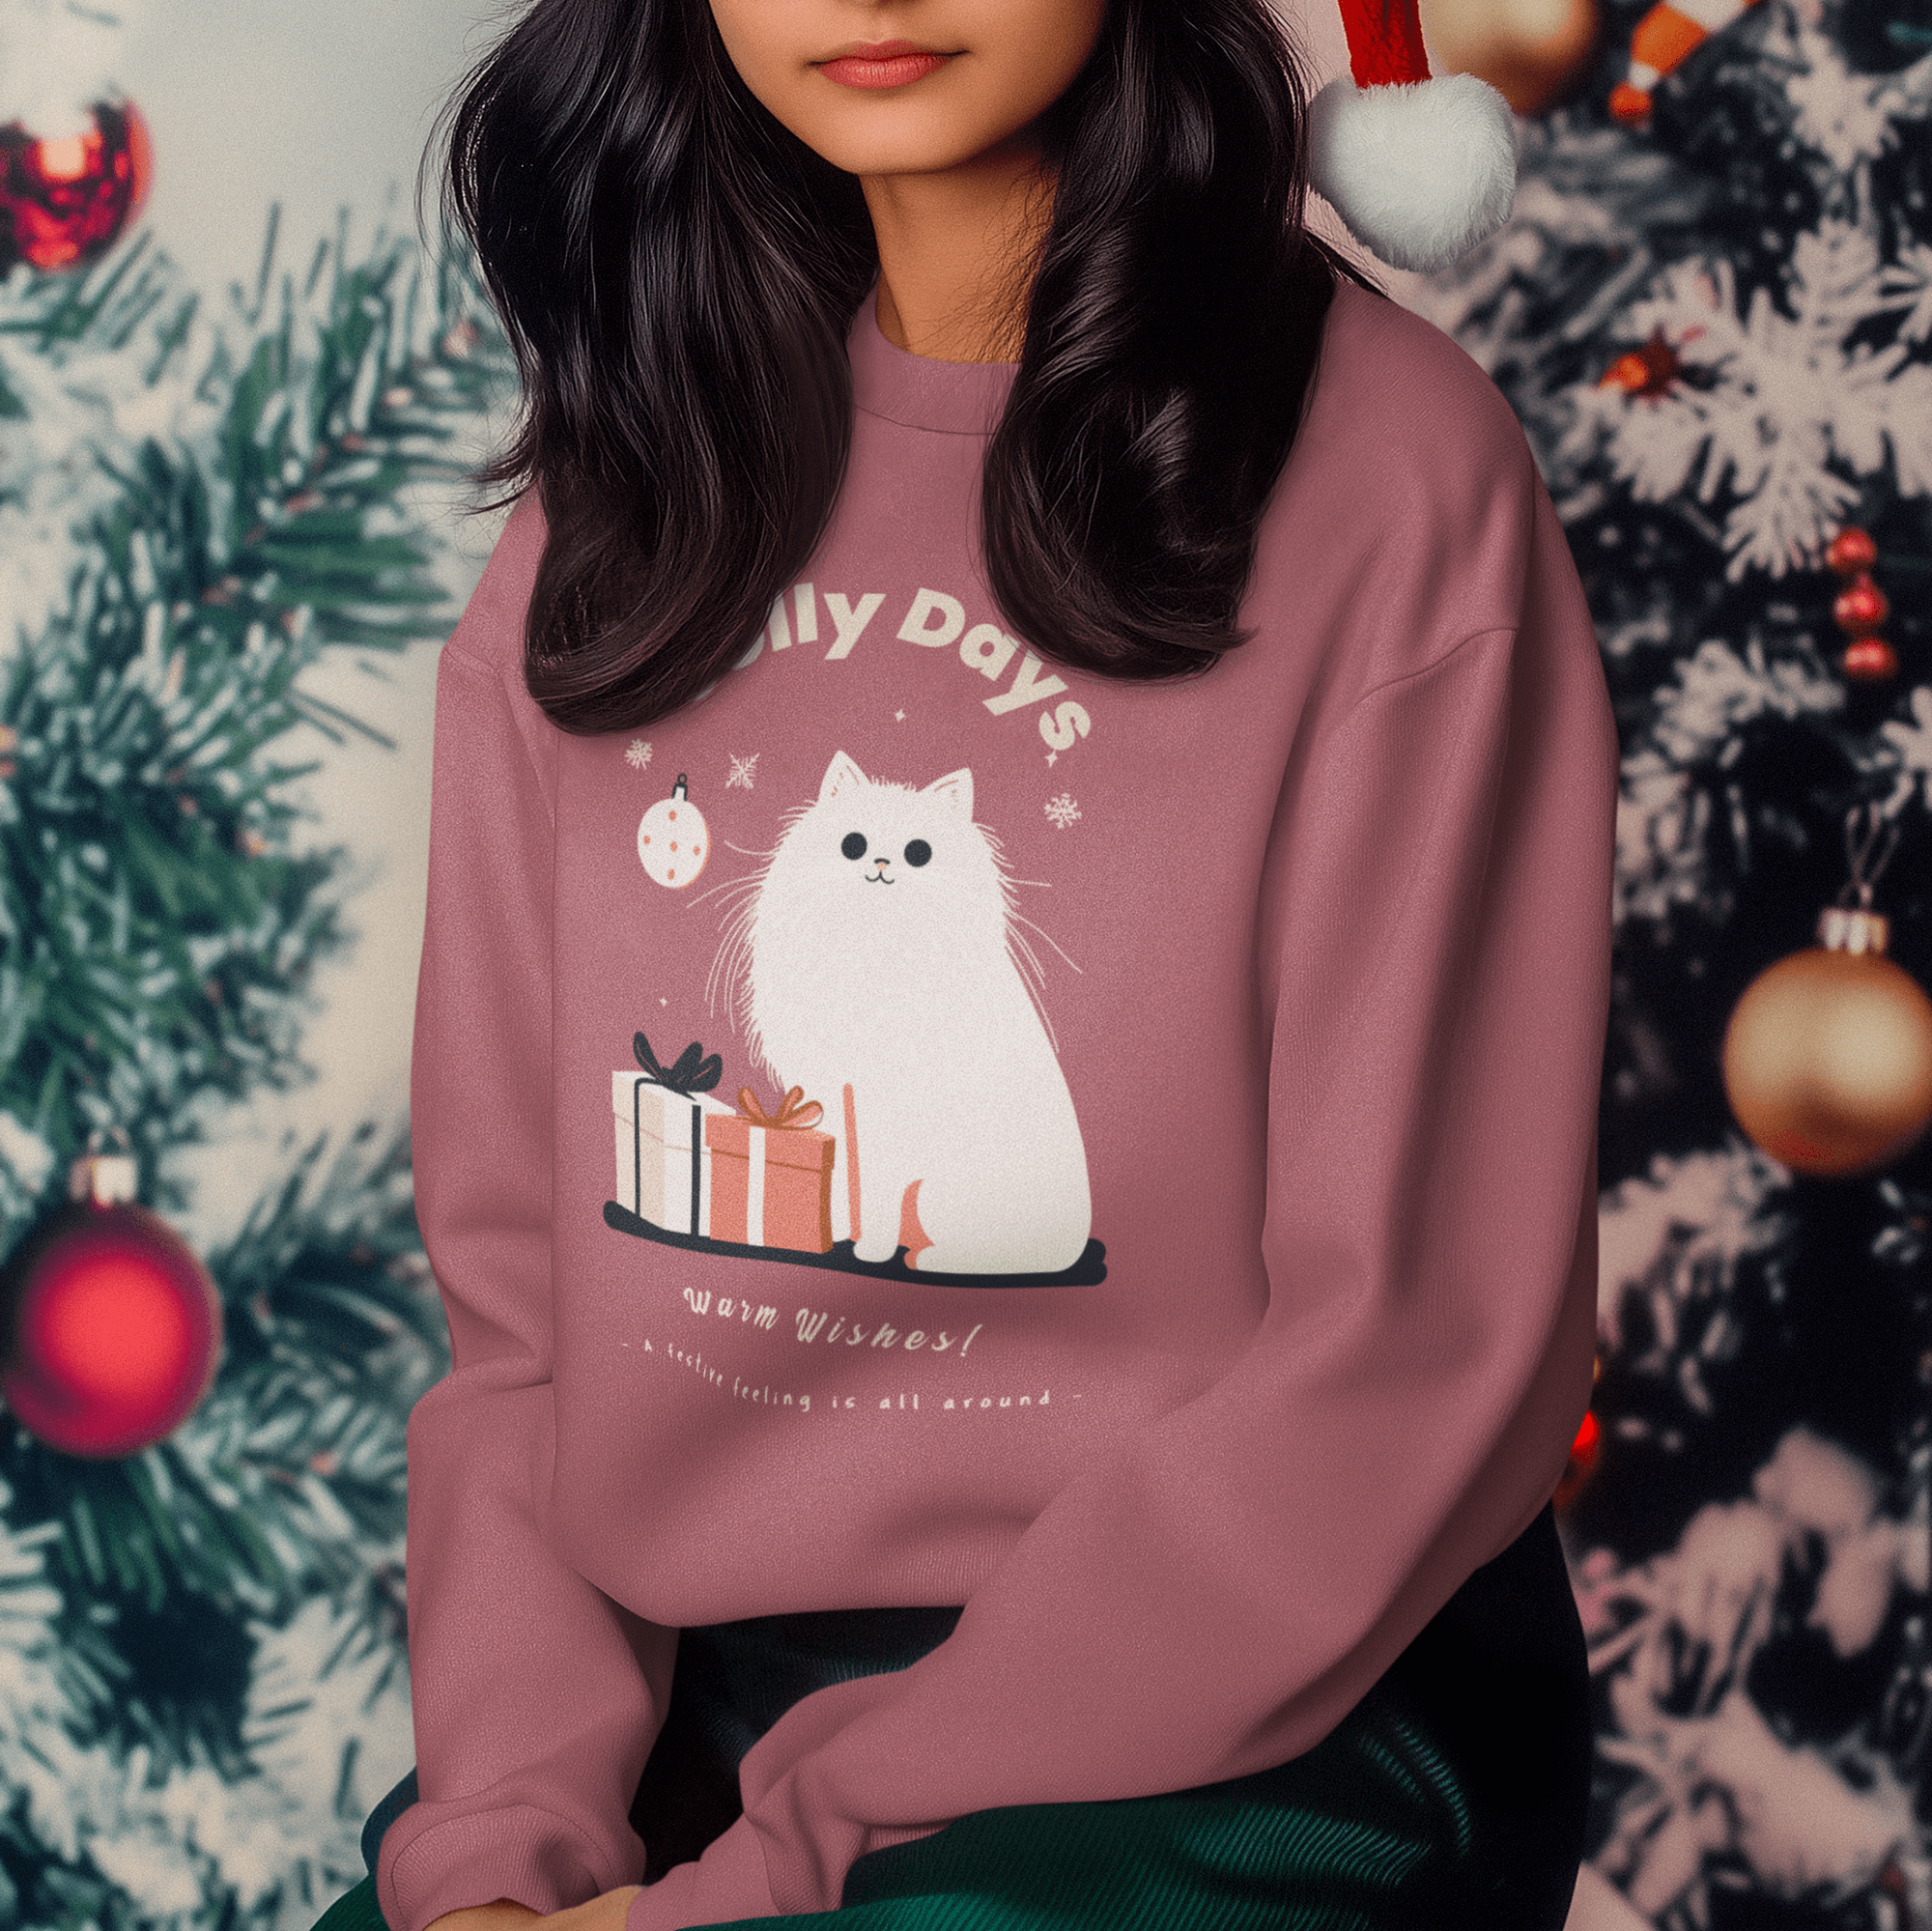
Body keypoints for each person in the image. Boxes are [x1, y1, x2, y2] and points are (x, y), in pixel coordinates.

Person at [321, 1, 1620, 1928]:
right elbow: (527, 1320)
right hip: (713, 1687)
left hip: (1272, 1714)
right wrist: (505, 1845)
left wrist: (782, 1865)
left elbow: (1404, 1354)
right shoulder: (625, 490)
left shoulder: (1392, 479)